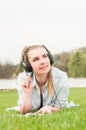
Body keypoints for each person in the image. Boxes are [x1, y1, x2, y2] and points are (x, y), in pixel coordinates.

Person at [17, 44, 71, 114]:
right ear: (28, 66)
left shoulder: (61, 78)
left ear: (50, 58)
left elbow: (61, 107)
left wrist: (51, 108)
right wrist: (28, 94)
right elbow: (24, 112)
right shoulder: (23, 78)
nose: (43, 62)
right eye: (36, 59)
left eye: (44, 56)